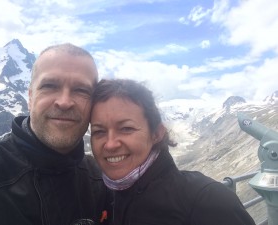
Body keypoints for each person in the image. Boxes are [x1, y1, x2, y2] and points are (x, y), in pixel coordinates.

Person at [90, 79, 256, 225]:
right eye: (99, 131)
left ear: (156, 134)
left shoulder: (207, 201)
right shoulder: (103, 197)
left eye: (126, 128)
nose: (110, 144)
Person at [0, 43, 110, 225]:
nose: (64, 102)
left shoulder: (103, 181)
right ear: (30, 98)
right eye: (50, 86)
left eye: (81, 90)